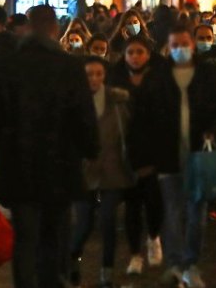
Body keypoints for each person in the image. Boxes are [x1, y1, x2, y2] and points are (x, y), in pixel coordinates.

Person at [0, 5, 99, 288]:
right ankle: (52, 281)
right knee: (54, 233)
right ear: (54, 29)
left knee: (24, 236)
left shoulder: (7, 67)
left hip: (18, 165)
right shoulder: (70, 66)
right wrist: (90, 149)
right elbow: (83, 115)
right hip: (59, 164)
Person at [130, 25, 216, 288]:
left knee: (196, 214)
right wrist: (142, 159)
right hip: (167, 156)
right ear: (169, 47)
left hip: (198, 156)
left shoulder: (210, 76)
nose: (180, 49)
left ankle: (190, 262)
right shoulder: (157, 78)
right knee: (172, 211)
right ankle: (176, 264)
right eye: (175, 44)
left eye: (184, 43)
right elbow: (142, 120)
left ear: (192, 45)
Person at [69, 56, 133, 288]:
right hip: (84, 172)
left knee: (108, 221)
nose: (95, 79)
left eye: (99, 74)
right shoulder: (73, 102)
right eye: (89, 74)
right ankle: (73, 259)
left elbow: (127, 130)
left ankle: (106, 272)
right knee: (83, 224)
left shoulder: (117, 100)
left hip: (112, 169)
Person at [109, 35, 164, 278]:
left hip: (153, 148)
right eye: (131, 52)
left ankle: (154, 237)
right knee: (132, 205)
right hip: (125, 149)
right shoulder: (115, 78)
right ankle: (134, 254)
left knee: (154, 202)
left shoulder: (158, 78)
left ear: (148, 54)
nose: (135, 57)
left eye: (139, 52)